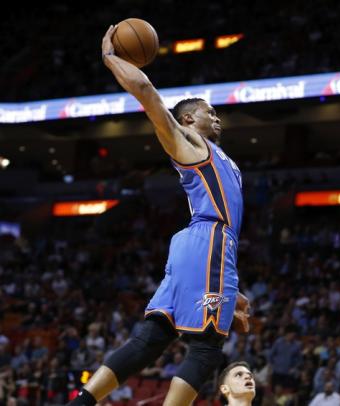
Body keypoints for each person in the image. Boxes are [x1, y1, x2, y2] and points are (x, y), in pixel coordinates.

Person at [67, 26, 250, 406]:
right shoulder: (188, 144)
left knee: (154, 337)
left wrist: (233, 290)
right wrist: (111, 58)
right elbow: (148, 94)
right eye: (208, 112)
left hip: (200, 248)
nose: (216, 118)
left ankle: (81, 402)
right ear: (186, 121)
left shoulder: (222, 159)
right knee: (207, 346)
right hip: (209, 239)